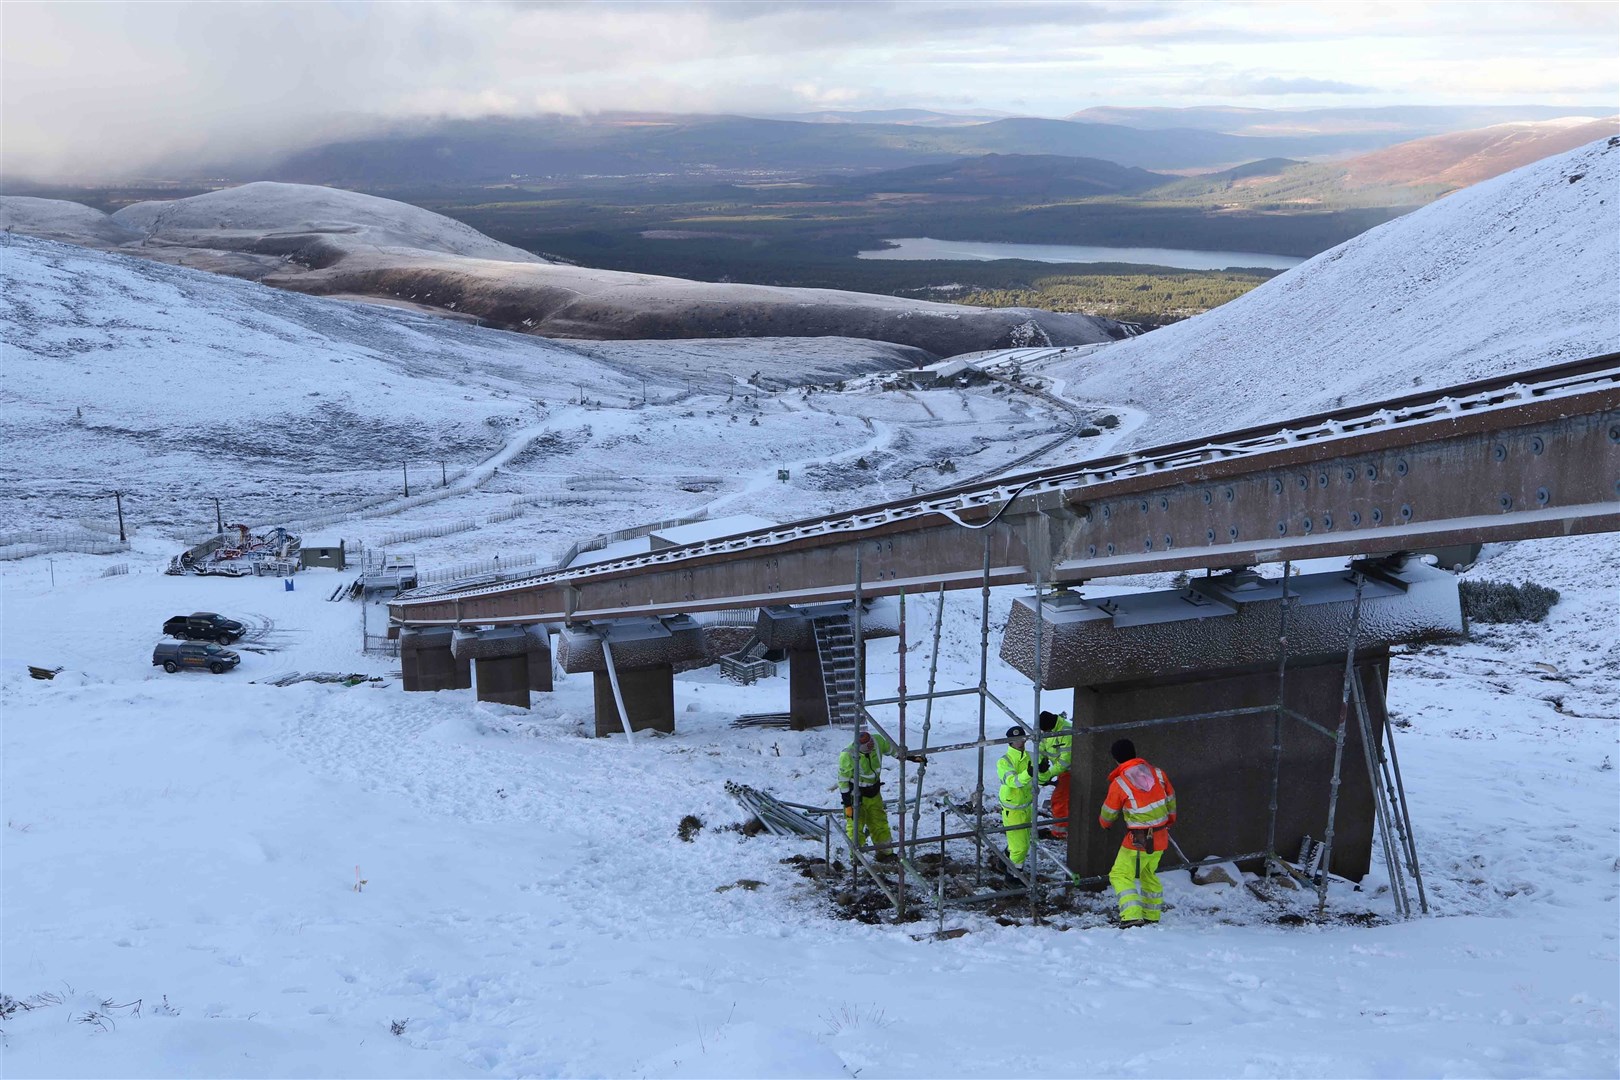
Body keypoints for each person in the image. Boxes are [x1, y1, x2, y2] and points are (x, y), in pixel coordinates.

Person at [1097, 738, 1177, 926]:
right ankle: (1152, 915)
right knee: (1148, 873)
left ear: (1116, 760)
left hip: (1138, 840)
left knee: (1120, 874)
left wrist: (1105, 824)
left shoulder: (1120, 783)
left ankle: (1132, 916)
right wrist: (1169, 821)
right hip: (1160, 836)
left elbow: (1108, 813)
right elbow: (1171, 798)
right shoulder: (1157, 774)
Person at [838, 729, 902, 858]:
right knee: (856, 826)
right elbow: (843, 781)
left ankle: (885, 853)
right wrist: (848, 805)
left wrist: (910, 757)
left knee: (879, 822)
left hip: (874, 792)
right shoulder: (847, 755)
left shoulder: (877, 741)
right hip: (856, 795)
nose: (870, 748)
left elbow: (894, 751)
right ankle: (857, 856)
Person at [997, 726, 1036, 871]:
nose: (1021, 742)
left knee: (1022, 840)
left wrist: (1044, 771)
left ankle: (1004, 860)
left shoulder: (1031, 756)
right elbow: (1013, 781)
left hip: (1026, 806)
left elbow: (1041, 777)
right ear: (1010, 742)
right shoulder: (1004, 762)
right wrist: (1029, 773)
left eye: (1022, 738)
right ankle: (1013, 875)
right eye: (1016, 740)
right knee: (1021, 848)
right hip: (1012, 810)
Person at [1037, 710, 1073, 839]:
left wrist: (1049, 774)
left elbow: (1065, 761)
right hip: (1061, 771)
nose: (1043, 734)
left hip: (1070, 771)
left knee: (1059, 800)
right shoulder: (1048, 730)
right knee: (1064, 800)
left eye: (1045, 731)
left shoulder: (1066, 732)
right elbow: (1041, 747)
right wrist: (1041, 763)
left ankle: (1059, 832)